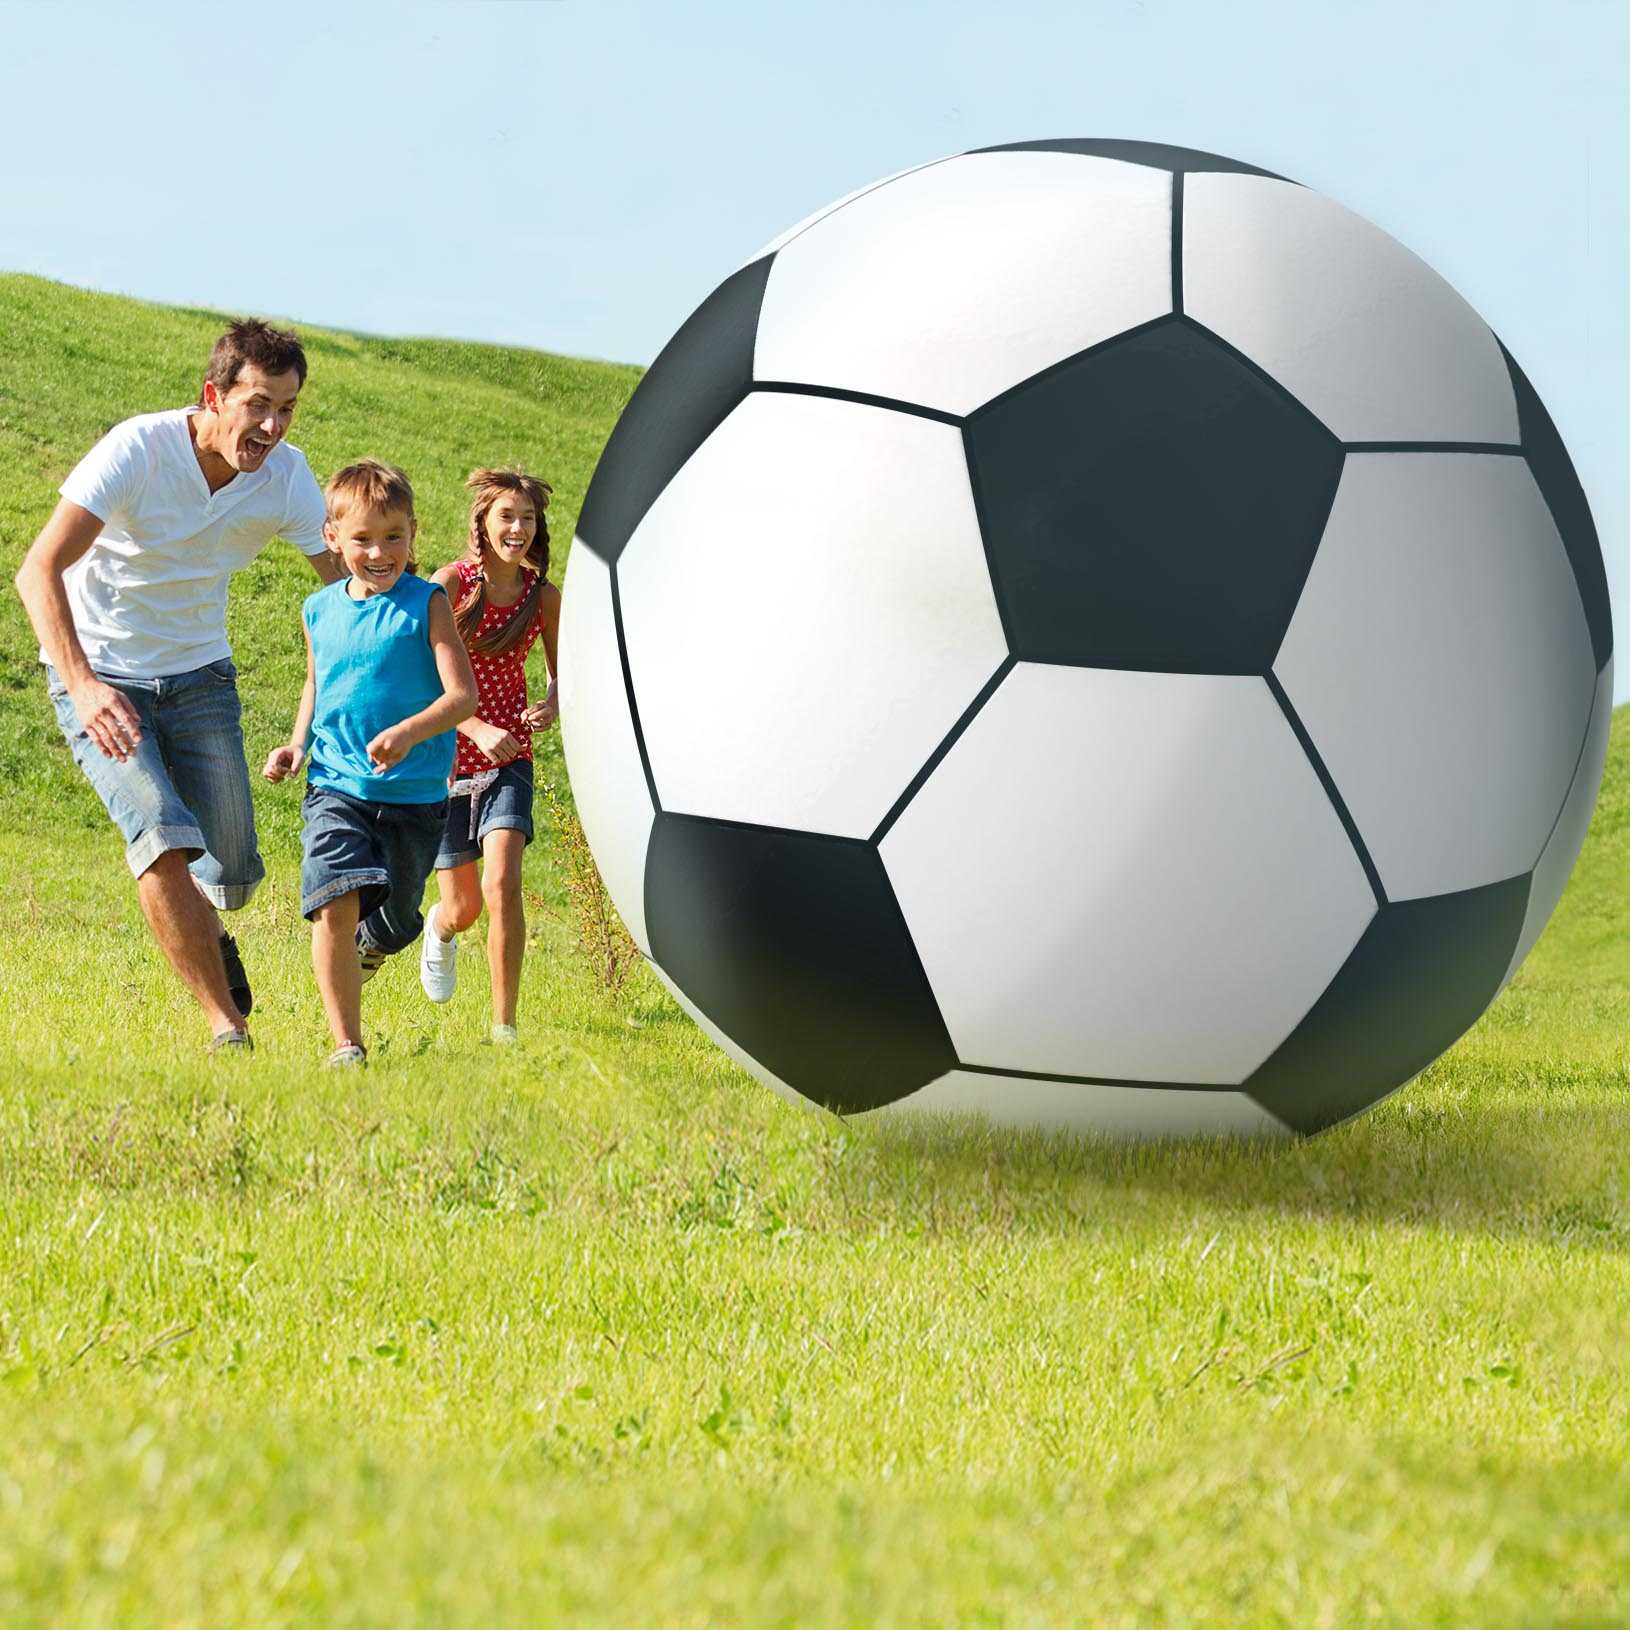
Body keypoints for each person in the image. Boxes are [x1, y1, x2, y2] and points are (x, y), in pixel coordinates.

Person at [13, 319, 344, 1053]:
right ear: (213, 395)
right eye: (258, 404)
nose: (271, 426)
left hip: (200, 678)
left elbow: (351, 592)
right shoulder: (141, 448)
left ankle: (209, 922)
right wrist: (84, 685)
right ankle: (228, 1026)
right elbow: (37, 570)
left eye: (287, 409)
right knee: (160, 833)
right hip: (100, 675)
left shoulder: (287, 477)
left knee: (231, 865)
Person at [263, 460, 476, 1066]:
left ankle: (378, 942)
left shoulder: (427, 603)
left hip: (414, 795)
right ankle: (346, 1045)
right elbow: (316, 683)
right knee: (333, 898)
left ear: (413, 532)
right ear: (333, 539)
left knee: (398, 916)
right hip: (336, 784)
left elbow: (462, 698)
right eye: (361, 539)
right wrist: (298, 744)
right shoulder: (319, 609)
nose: (378, 552)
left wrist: (409, 734)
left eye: (393, 537)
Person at [419, 468, 561, 1043]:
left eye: (528, 519)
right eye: (507, 516)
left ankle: (504, 1027)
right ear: (483, 521)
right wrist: (473, 726)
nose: (519, 528)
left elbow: (561, 672)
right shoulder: (451, 584)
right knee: (465, 908)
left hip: (511, 757)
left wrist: (553, 703)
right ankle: (440, 928)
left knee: (504, 879)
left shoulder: (542, 596)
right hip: (446, 757)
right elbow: (420, 672)